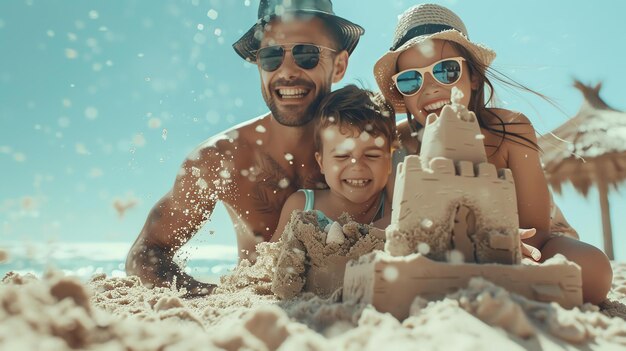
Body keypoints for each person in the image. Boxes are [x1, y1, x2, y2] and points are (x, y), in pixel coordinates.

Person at [374, 3, 612, 304]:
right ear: (402, 95)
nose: (431, 87)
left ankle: (482, 282)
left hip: (525, 241)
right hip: (438, 248)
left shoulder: (510, 129)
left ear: (473, 77)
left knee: (594, 271)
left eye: (446, 71)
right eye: (411, 79)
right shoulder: (399, 142)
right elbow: (398, 224)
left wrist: (502, 245)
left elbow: (536, 230)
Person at [125, 0, 364, 296]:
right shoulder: (219, 160)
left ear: (339, 65)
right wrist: (209, 296)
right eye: (271, 56)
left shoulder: (370, 148)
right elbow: (146, 253)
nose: (287, 71)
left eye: (306, 54)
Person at [271, 85, 395, 242]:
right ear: (321, 162)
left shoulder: (392, 207)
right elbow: (270, 261)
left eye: (371, 155)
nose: (357, 166)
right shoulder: (302, 206)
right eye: (342, 156)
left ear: (389, 161)